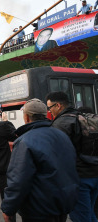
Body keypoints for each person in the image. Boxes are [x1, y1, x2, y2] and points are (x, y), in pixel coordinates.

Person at [1, 99, 80, 222]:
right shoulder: (62, 135)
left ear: (26, 117)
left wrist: (8, 208)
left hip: (38, 209)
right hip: (63, 204)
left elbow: (18, 180)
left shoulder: (25, 141)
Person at [46, 91, 98, 222]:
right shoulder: (82, 116)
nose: (49, 111)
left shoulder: (60, 124)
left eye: (49, 107)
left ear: (58, 105)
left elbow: (56, 156)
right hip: (94, 173)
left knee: (81, 217)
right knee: (90, 214)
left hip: (78, 179)